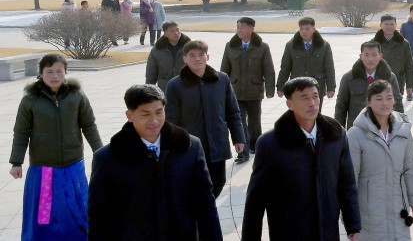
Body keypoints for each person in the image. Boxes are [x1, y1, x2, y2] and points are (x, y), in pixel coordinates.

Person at [87, 84, 222, 240]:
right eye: (145, 114)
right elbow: (98, 217)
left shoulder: (189, 148)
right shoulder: (107, 158)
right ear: (129, 115)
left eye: (159, 112)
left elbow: (205, 204)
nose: (154, 121)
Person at [242, 77, 361, 240]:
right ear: (289, 104)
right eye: (304, 98)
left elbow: (346, 182)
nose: (312, 103)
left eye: (315, 96)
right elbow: (256, 198)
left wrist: (352, 222)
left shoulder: (335, 134)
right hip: (289, 230)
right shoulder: (271, 143)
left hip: (327, 230)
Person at [10, 54, 103, 240]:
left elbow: (89, 125)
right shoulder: (30, 100)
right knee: (45, 214)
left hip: (73, 165)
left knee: (75, 207)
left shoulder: (77, 96)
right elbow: (21, 132)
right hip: (44, 168)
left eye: (59, 71)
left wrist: (100, 152)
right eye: (49, 71)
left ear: (65, 72)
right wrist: (16, 161)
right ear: (40, 74)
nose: (54, 75)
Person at [164, 40, 245, 198]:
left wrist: (238, 138)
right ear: (185, 59)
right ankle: (201, 217)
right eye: (192, 55)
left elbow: (233, 112)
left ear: (207, 56)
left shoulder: (221, 80)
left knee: (218, 182)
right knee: (195, 185)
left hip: (217, 143)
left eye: (201, 55)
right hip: (191, 146)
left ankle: (206, 213)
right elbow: (171, 120)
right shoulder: (175, 85)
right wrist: (174, 146)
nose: (197, 59)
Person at [348, 80, 413, 239]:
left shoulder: (403, 131)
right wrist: (349, 216)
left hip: (398, 204)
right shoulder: (355, 134)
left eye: (389, 98)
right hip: (368, 208)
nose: (385, 103)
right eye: (378, 98)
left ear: (395, 100)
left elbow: (409, 168)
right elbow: (350, 177)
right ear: (368, 102)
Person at [220, 17, 276, 164]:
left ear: (251, 29)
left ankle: (255, 145)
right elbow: (224, 70)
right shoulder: (230, 46)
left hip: (254, 90)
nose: (239, 29)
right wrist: (221, 89)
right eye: (238, 26)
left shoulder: (262, 47)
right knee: (239, 122)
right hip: (235, 91)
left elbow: (269, 70)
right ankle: (242, 152)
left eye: (243, 27)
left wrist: (270, 89)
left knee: (254, 122)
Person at [335, 41, 403, 129]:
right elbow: (341, 107)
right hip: (357, 128)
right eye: (366, 55)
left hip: (383, 128)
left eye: (374, 55)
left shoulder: (389, 77)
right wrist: (338, 131)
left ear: (380, 56)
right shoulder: (348, 78)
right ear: (360, 56)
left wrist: (400, 127)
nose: (370, 59)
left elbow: (398, 104)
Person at [277, 16, 336, 99]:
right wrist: (280, 87)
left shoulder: (324, 45)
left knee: (315, 111)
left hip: (316, 87)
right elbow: (285, 68)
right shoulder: (291, 46)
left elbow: (329, 68)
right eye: (301, 29)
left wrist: (331, 88)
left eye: (307, 29)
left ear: (313, 29)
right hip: (297, 87)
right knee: (297, 111)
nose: (304, 32)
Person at [374, 14, 413, 102]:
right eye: (386, 24)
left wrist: (410, 85)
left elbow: (409, 65)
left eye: (392, 24)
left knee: (396, 109)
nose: (389, 27)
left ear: (396, 25)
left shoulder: (404, 44)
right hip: (377, 83)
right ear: (381, 25)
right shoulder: (373, 44)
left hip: (398, 82)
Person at [145, 21, 191, 91]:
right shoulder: (157, 49)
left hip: (185, 85)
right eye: (172, 31)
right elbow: (151, 71)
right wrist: (149, 90)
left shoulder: (189, 47)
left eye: (177, 30)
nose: (176, 33)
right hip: (165, 87)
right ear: (165, 34)